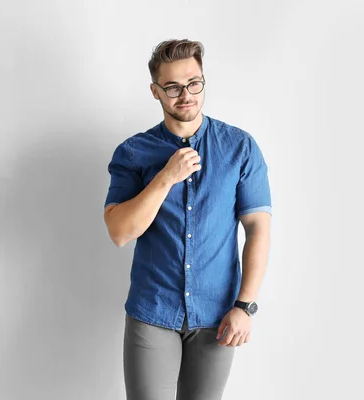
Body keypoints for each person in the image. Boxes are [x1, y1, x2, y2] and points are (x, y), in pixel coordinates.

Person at [103, 39, 272, 400]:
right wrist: (166, 176)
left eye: (194, 83)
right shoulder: (133, 153)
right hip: (153, 311)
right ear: (155, 91)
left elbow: (258, 229)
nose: (186, 95)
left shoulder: (240, 148)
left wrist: (245, 306)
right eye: (173, 87)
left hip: (219, 315)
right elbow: (119, 231)